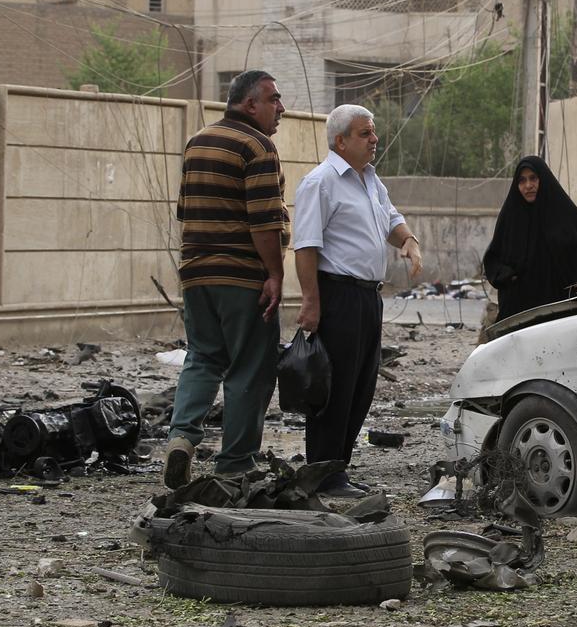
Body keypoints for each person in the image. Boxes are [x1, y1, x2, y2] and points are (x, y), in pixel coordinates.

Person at [163, 69, 288, 488]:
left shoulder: (197, 142)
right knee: (249, 368)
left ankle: (182, 438)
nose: (280, 109)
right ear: (249, 104)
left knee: (202, 358)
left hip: (196, 274)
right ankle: (235, 462)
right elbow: (264, 222)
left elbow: (184, 211)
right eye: (273, 100)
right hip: (241, 277)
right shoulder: (258, 146)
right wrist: (274, 274)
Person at [293, 104, 422, 498]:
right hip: (338, 296)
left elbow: (390, 217)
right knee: (334, 389)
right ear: (341, 140)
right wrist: (312, 302)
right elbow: (306, 246)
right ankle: (322, 475)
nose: (374, 139)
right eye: (365, 133)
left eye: (373, 132)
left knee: (361, 387)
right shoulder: (321, 182)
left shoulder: (369, 180)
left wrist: (408, 240)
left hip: (368, 298)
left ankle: (339, 470)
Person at [483, 156, 577, 322]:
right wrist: (509, 277)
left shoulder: (563, 214)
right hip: (519, 311)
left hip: (557, 309)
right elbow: (493, 259)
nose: (528, 185)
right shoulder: (511, 218)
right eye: (522, 180)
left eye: (533, 178)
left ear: (543, 179)